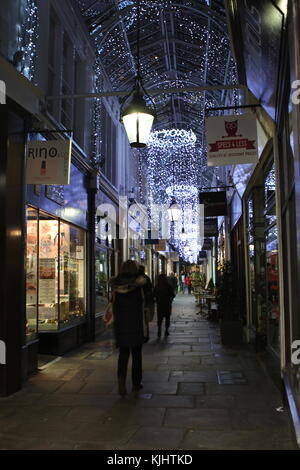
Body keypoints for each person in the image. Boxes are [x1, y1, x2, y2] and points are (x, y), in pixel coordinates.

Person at [111, 260, 147, 397]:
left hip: (121, 326)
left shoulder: (115, 286)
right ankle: (136, 383)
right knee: (137, 356)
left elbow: (113, 306)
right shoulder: (138, 286)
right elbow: (142, 305)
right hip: (135, 325)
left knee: (123, 355)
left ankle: (121, 382)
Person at [153, 274, 175, 338]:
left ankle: (159, 330)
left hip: (160, 305)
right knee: (167, 318)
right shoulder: (168, 286)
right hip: (167, 304)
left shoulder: (157, 286)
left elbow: (154, 294)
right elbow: (173, 294)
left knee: (160, 318)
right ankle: (166, 331)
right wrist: (170, 300)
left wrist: (156, 300)